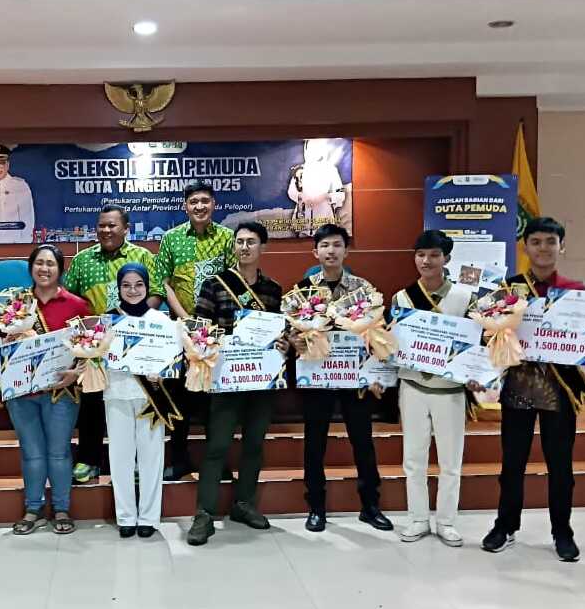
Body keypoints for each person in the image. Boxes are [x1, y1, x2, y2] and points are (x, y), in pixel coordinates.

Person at [482, 216, 585, 562]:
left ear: (562, 246)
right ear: (525, 247)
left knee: (561, 466)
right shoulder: (509, 290)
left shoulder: (578, 293)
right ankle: (505, 525)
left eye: (551, 241)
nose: (543, 248)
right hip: (518, 384)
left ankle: (562, 531)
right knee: (512, 463)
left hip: (560, 388)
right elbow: (487, 336)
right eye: (536, 241)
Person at [187, 221, 289, 546]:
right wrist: (215, 344)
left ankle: (244, 504)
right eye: (240, 242)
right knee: (217, 446)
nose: (244, 247)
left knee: (254, 444)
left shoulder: (273, 289)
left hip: (261, 379)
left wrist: (283, 343)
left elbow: (280, 331)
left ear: (263, 247)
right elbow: (199, 329)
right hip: (227, 377)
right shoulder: (215, 284)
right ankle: (204, 513)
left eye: (251, 242)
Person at [294, 223, 393, 534]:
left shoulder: (363, 289)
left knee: (362, 441)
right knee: (315, 442)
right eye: (325, 245)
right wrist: (296, 341)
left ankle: (370, 505)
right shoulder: (303, 289)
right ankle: (316, 507)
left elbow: (379, 333)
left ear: (346, 250)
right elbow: (292, 330)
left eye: (337, 245)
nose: (331, 251)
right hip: (317, 374)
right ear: (315, 252)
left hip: (355, 377)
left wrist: (377, 374)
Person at [63, 204, 165, 484]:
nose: (106, 230)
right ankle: (89, 460)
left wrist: (134, 322)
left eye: (112, 225)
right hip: (95, 346)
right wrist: (85, 339)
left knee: (136, 399)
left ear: (126, 229)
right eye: (102, 225)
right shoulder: (83, 260)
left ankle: (137, 462)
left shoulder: (142, 256)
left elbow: (156, 293)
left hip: (135, 343)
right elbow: (71, 300)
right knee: (92, 401)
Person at [391, 230, 480, 547]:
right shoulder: (402, 298)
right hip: (413, 386)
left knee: (450, 462)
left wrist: (476, 373)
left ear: (447, 258)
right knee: (413, 458)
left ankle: (446, 522)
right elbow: (393, 343)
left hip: (450, 390)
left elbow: (477, 344)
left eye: (433, 255)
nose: (426, 261)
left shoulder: (465, 298)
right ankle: (417, 518)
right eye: (420, 254)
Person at [155, 180, 237, 479]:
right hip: (181, 330)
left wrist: (209, 325)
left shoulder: (228, 237)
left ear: (214, 204)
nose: (199, 206)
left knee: (216, 401)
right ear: (185, 206)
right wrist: (187, 320)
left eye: (205, 201)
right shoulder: (171, 239)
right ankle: (179, 460)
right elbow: (163, 283)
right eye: (193, 202)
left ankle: (218, 462)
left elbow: (234, 280)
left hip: (218, 331)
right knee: (180, 398)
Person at [5, 244, 89, 535]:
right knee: (31, 453)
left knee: (58, 452)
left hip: (60, 392)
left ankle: (62, 508)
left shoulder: (77, 305)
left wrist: (75, 374)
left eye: (50, 264)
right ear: (31, 268)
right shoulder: (15, 305)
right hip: (22, 393)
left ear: (60, 269)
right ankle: (34, 508)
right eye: (39, 263)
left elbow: (90, 350)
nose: (44, 269)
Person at [104, 263, 181, 538]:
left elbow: (174, 360)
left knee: (151, 458)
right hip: (116, 393)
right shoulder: (109, 320)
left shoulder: (162, 321)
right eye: (126, 285)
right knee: (120, 458)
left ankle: (149, 517)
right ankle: (125, 517)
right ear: (118, 288)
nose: (133, 290)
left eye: (139, 285)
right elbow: (98, 357)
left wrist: (163, 373)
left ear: (147, 287)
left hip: (151, 397)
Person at [0, 144, 35, 244]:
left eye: (1, 163)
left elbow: (28, 220)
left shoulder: (19, 185)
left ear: (7, 165)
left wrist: (24, 245)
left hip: (12, 243)